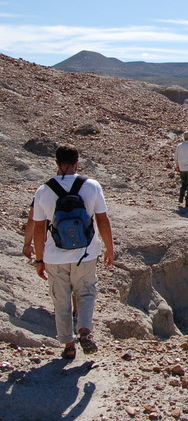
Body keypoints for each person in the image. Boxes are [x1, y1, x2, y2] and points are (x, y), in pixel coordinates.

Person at [32, 145, 115, 360]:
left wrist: (39, 258)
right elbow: (102, 220)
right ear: (78, 161)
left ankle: (68, 345)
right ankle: (85, 331)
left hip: (54, 255)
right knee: (86, 293)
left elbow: (39, 228)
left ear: (56, 163)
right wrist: (109, 248)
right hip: (86, 254)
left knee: (61, 300)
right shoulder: (92, 186)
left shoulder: (44, 190)